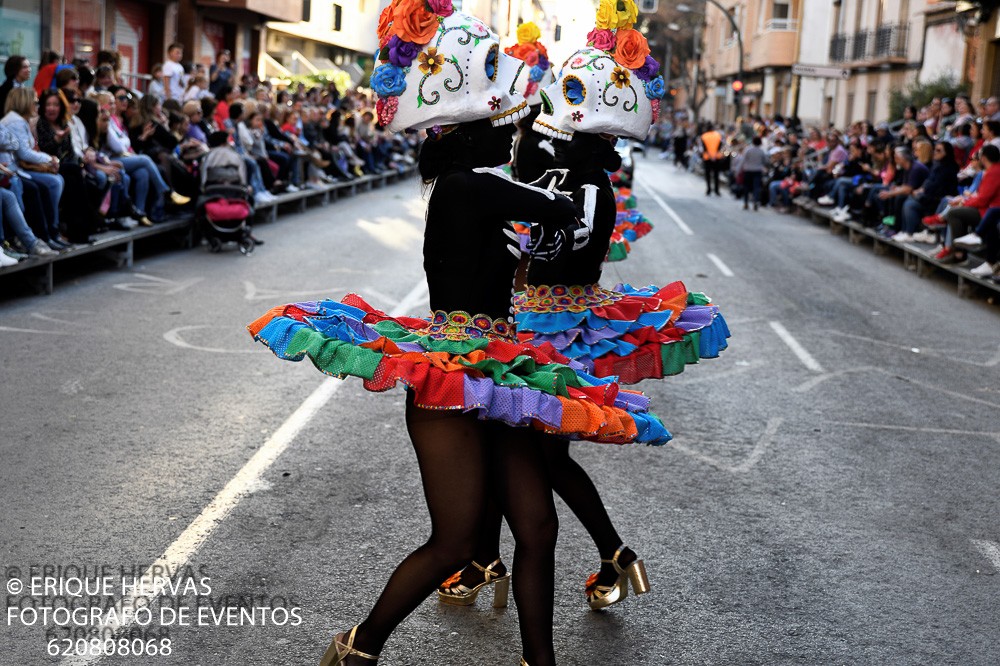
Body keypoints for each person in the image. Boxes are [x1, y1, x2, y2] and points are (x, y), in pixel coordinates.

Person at [248, 7, 664, 666]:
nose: (513, 133)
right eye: (503, 124)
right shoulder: (468, 189)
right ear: (475, 138)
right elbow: (555, 209)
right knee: (454, 540)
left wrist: (557, 155)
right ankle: (357, 648)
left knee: (538, 525)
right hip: (452, 379)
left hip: (497, 372)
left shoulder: (479, 189)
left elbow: (548, 231)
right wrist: (566, 137)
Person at [1, 87, 72, 248]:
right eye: (35, 102)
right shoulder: (15, 121)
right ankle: (42, 235)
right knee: (49, 184)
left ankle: (50, 232)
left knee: (58, 179)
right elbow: (24, 152)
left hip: (17, 169)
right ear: (24, 102)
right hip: (14, 171)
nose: (38, 106)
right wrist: (50, 158)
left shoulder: (21, 120)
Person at [740, 136, 767, 211]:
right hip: (757, 170)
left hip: (748, 170)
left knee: (746, 187)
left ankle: (746, 202)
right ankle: (755, 201)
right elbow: (765, 161)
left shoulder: (748, 150)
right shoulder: (761, 151)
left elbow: (743, 160)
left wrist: (739, 169)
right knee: (756, 187)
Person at [700, 122, 724, 196]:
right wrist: (714, 155)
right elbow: (720, 146)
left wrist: (710, 156)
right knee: (716, 174)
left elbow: (704, 148)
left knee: (708, 174)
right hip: (716, 157)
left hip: (707, 157)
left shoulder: (704, 136)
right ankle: (717, 190)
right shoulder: (718, 135)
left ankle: (709, 189)